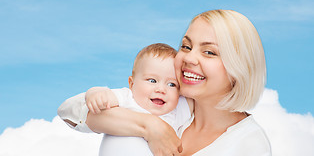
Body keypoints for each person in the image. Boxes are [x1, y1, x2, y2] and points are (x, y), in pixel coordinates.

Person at [60, 9, 272, 155]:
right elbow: (71, 112)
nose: (189, 58)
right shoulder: (166, 104)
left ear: (239, 68)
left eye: (209, 52)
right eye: (186, 47)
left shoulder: (249, 144)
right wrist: (150, 126)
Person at [58, 43, 193, 156]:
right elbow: (74, 106)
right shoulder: (127, 98)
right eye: (152, 80)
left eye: (172, 84)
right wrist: (94, 93)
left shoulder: (175, 112)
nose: (161, 89)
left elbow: (203, 99)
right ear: (132, 84)